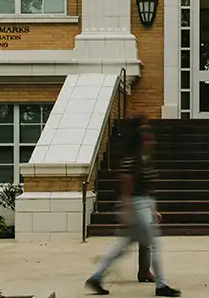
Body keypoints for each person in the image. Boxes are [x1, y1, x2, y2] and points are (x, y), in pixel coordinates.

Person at [86, 117, 180, 296]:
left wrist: (152, 209)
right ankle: (161, 285)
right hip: (137, 207)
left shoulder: (145, 159)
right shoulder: (132, 161)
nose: (152, 140)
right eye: (147, 137)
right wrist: (128, 213)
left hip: (143, 206)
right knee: (154, 245)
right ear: (140, 140)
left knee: (121, 247)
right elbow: (127, 189)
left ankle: (96, 277)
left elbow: (146, 189)